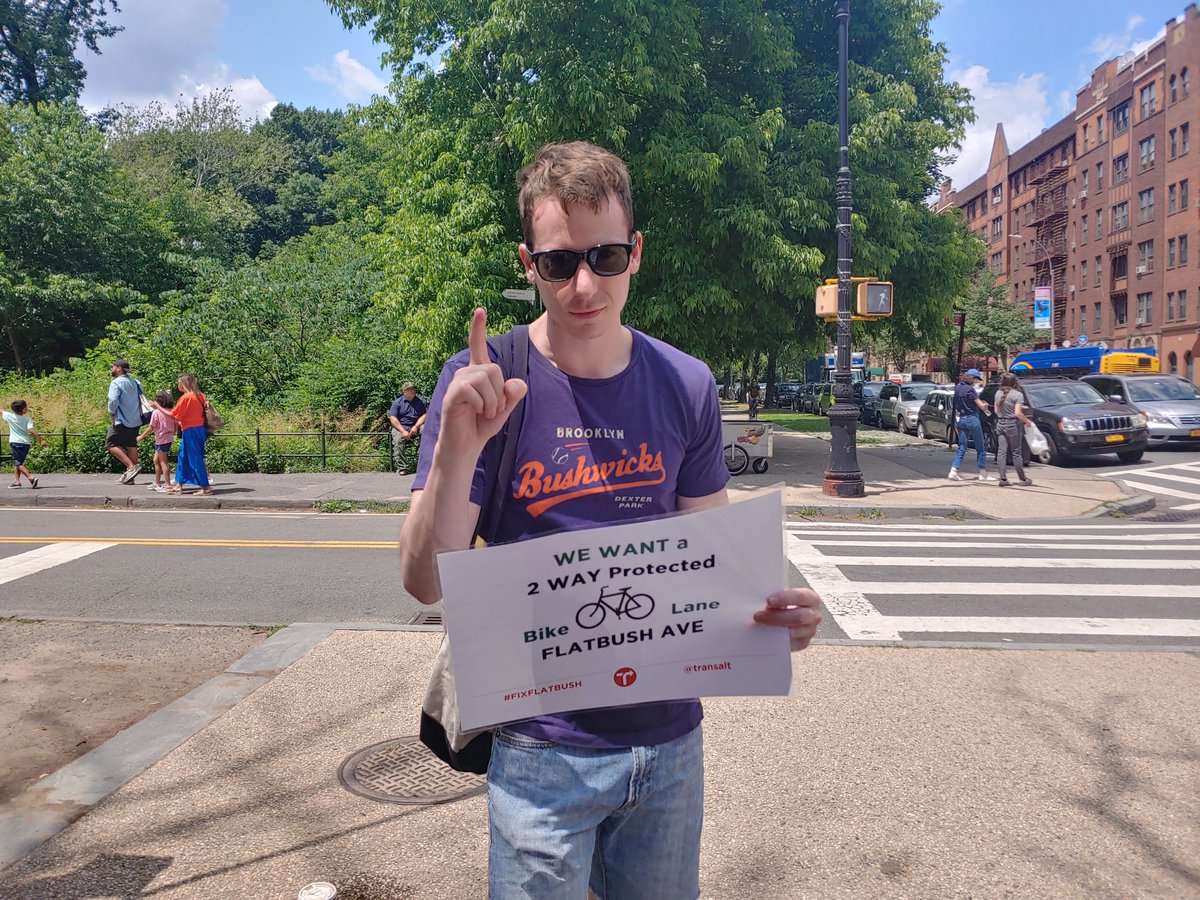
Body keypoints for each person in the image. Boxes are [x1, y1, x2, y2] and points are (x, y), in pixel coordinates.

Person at [399, 141, 822, 898]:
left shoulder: (686, 383)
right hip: (537, 745)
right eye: (560, 265)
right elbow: (426, 583)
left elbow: (708, 563)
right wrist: (459, 449)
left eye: (608, 257)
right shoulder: (488, 382)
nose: (585, 285)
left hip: (667, 745)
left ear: (637, 252)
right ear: (528, 264)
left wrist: (772, 614)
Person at [156, 374, 212, 496]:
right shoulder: (200, 396)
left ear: (183, 384)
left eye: (179, 383)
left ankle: (205, 487)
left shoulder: (186, 397)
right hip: (198, 429)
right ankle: (179, 485)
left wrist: (157, 406)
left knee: (195, 458)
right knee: (183, 456)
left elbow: (173, 414)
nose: (178, 385)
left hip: (191, 430)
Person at [948, 368, 994, 482]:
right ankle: (982, 473)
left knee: (962, 447)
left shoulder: (958, 388)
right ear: (972, 378)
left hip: (961, 419)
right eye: (976, 379)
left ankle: (953, 471)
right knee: (980, 447)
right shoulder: (971, 390)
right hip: (972, 419)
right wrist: (985, 404)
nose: (976, 382)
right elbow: (981, 406)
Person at [993, 373, 1034, 487]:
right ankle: (1022, 478)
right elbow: (1018, 413)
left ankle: (1003, 478)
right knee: (1016, 452)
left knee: (1002, 452)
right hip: (1012, 424)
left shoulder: (997, 393)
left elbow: (996, 411)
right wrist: (1028, 421)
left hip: (1000, 423)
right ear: (1015, 382)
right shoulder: (1018, 395)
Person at [106, 359, 144, 484]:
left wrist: (112, 412)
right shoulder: (136, 382)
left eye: (113, 367)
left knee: (111, 444)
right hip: (135, 419)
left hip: (121, 419)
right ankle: (130, 478)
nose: (112, 369)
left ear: (119, 368)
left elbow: (113, 399)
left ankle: (131, 467)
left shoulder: (116, 383)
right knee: (131, 445)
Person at [138, 390, 179, 493]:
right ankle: (157, 482)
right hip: (168, 439)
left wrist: (141, 436)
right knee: (156, 460)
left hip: (161, 440)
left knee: (163, 462)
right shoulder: (171, 411)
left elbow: (151, 427)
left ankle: (168, 484)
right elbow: (176, 425)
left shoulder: (156, 412)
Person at [4, 400, 48, 489]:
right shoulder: (27, 418)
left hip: (15, 442)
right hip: (25, 443)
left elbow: (0, 410)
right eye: (26, 407)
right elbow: (31, 430)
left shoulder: (9, 416)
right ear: (23, 409)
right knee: (19, 462)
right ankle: (17, 482)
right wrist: (40, 440)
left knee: (18, 462)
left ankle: (31, 478)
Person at [387, 382, 428, 475]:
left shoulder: (421, 401)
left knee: (426, 430)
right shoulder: (397, 403)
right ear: (404, 391)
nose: (413, 391)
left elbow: (425, 415)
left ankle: (422, 464)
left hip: (416, 425)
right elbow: (393, 418)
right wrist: (403, 431)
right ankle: (402, 467)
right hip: (401, 426)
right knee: (398, 441)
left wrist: (416, 426)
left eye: (414, 389)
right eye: (410, 389)